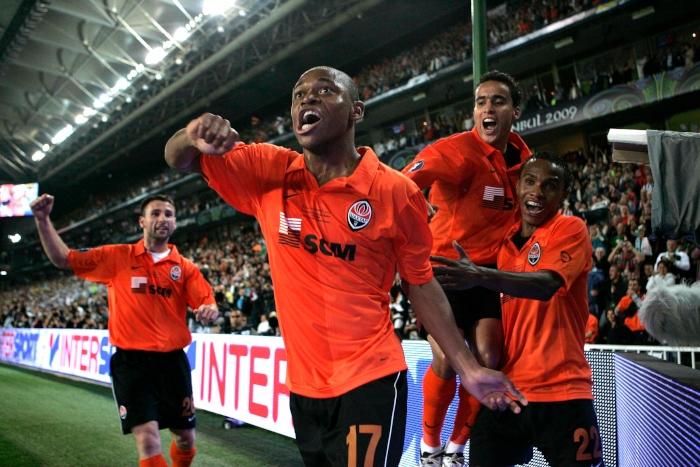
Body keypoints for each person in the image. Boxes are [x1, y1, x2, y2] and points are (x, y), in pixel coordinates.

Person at [164, 66, 526, 466]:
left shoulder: (395, 192)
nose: (308, 99)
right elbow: (179, 159)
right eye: (299, 94)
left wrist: (468, 368)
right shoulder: (268, 172)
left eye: (323, 91)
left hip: (370, 380)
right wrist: (190, 134)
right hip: (304, 391)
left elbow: (421, 285)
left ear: (357, 111)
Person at [432, 153, 603, 466]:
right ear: (517, 188)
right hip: (507, 392)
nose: (537, 191)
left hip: (563, 393)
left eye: (550, 186)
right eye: (529, 181)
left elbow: (546, 284)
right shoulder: (504, 246)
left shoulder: (570, 228)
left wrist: (479, 276)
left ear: (563, 194)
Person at [30, 193, 219, 467]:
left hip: (172, 363)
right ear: (142, 221)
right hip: (131, 364)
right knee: (148, 439)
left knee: (185, 438)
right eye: (155, 213)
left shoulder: (185, 268)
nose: (162, 218)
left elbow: (206, 302)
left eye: (168, 213)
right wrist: (43, 220)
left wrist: (210, 310)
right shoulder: (117, 257)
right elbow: (63, 259)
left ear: (175, 223)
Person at [402, 70, 531, 466]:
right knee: (448, 359)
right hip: (441, 273)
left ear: (515, 111)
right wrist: (412, 210)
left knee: (489, 359)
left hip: (487, 277)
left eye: (497, 101)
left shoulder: (524, 163)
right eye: (480, 102)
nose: (487, 109)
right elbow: (403, 182)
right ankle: (429, 444)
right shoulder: (454, 151)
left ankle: (457, 448)